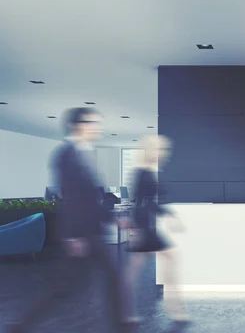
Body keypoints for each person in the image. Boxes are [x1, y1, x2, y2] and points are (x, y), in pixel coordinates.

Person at [5, 107, 125, 333]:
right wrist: (73, 235)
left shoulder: (83, 153)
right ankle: (18, 325)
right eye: (93, 123)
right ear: (79, 125)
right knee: (63, 289)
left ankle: (122, 326)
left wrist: (113, 218)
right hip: (81, 234)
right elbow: (71, 199)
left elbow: (91, 198)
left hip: (92, 232)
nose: (97, 128)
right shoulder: (66, 155)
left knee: (111, 278)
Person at [121, 135, 188, 323]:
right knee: (135, 270)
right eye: (158, 149)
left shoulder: (149, 171)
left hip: (146, 226)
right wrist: (138, 229)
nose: (162, 153)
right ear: (148, 150)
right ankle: (174, 308)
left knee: (135, 269)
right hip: (144, 227)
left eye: (163, 150)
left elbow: (150, 202)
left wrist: (168, 215)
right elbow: (140, 202)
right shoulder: (142, 172)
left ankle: (173, 307)